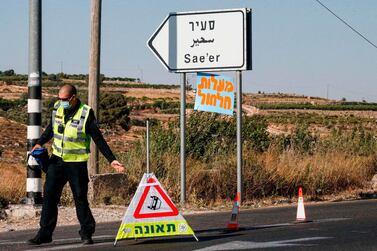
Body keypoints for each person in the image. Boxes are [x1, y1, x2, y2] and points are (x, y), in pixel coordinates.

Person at [28, 84, 125, 245]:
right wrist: (39, 143)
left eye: (64, 99)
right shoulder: (57, 109)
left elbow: (98, 138)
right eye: (59, 98)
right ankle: (45, 233)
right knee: (50, 197)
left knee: (80, 198)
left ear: (73, 98)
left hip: (76, 164)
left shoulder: (86, 113)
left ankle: (86, 232)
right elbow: (51, 130)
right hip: (57, 160)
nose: (61, 102)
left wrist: (111, 159)